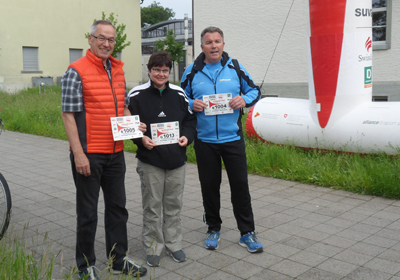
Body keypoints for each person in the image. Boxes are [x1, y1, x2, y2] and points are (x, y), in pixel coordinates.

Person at [61, 20, 147, 279]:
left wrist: (134, 125)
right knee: (87, 213)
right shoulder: (75, 71)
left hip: (115, 152)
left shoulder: (118, 70)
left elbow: (121, 106)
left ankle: (118, 259)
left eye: (111, 40)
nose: (106, 44)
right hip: (89, 153)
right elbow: (68, 115)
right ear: (90, 39)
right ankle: (85, 265)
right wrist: (78, 154)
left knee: (118, 208)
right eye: (101, 38)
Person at [181, 26, 263, 253]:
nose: (214, 45)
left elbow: (255, 91)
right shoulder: (191, 71)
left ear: (223, 45)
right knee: (209, 187)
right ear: (202, 47)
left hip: (232, 139)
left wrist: (243, 100)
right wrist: (190, 104)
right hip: (205, 142)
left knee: (240, 187)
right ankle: (213, 228)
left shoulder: (235, 67)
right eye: (209, 42)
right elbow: (178, 97)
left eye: (217, 41)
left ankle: (247, 232)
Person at [126, 51, 196, 267]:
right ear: (149, 70)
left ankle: (174, 244)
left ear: (169, 72)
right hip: (150, 162)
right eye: (156, 69)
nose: (161, 74)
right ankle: (153, 247)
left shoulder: (179, 93)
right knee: (152, 207)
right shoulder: (136, 95)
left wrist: (187, 137)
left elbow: (190, 120)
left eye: (165, 70)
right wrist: (141, 139)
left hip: (177, 161)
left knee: (174, 205)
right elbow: (128, 125)